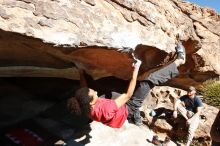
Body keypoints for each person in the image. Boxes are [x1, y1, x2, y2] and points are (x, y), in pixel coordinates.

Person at [67, 42, 186, 128]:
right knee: (147, 81)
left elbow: (84, 88)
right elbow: (128, 95)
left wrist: (80, 70)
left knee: (98, 83)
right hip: (128, 108)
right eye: (94, 93)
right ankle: (179, 61)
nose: (95, 91)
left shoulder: (83, 104)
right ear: (92, 102)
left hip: (109, 109)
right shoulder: (105, 109)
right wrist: (137, 68)